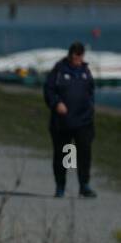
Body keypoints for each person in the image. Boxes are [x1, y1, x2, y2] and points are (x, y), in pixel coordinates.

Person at [43, 42, 97, 198]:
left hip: (84, 121)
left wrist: (90, 107)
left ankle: (84, 185)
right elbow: (49, 90)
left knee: (84, 153)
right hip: (63, 122)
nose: (78, 58)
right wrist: (56, 103)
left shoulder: (85, 71)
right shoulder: (59, 71)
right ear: (70, 54)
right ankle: (61, 186)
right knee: (66, 156)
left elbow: (91, 90)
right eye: (76, 54)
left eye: (81, 55)